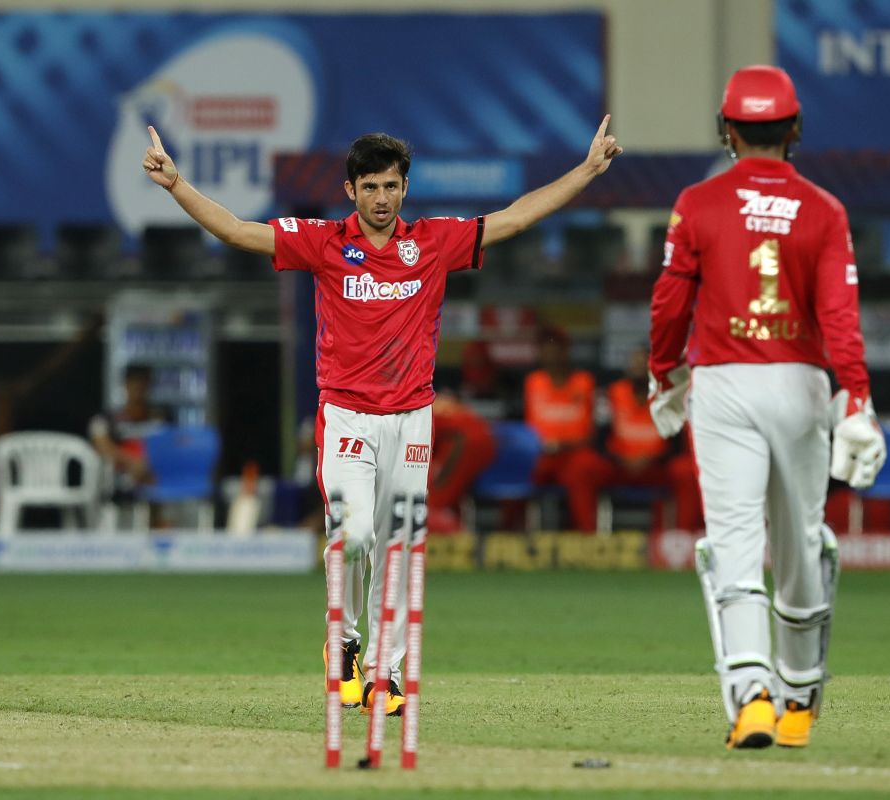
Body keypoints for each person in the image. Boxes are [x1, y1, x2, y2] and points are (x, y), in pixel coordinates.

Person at [142, 118, 622, 714]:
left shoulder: (435, 241)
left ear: (405, 189)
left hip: (412, 419)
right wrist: (177, 185)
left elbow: (516, 218)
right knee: (353, 536)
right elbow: (240, 232)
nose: (381, 198)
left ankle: (383, 676)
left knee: (398, 545)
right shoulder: (322, 242)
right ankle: (339, 643)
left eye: (391, 187)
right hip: (345, 416)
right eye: (369, 187)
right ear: (350, 190)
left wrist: (586, 170)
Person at [647, 66, 885, 750]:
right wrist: (859, 400)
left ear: (727, 130)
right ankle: (800, 702)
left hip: (723, 384)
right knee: (801, 540)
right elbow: (842, 318)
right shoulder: (826, 210)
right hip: (802, 384)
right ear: (795, 128)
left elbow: (669, 301)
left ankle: (751, 697)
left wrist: (665, 374)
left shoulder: (696, 202)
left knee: (735, 544)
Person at [523, 327, 612, 533]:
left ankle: (585, 537)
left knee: (582, 472)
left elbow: (593, 431)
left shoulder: (585, 381)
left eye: (555, 348)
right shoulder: (534, 382)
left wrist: (563, 444)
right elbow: (528, 429)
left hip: (575, 454)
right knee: (517, 468)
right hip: (541, 455)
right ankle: (507, 535)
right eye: (545, 349)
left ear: (566, 351)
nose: (550, 354)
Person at [604, 347, 702, 531]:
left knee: (682, 471)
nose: (639, 368)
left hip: (657, 466)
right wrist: (620, 458)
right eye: (635, 363)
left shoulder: (667, 395)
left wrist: (652, 459)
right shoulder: (614, 392)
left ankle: (675, 539)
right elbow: (602, 434)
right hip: (619, 465)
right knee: (588, 468)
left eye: (643, 364)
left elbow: (675, 438)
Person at [88, 364, 168, 524]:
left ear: (149, 386)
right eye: (134, 384)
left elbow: (169, 447)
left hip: (154, 472)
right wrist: (132, 462)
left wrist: (148, 463)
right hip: (120, 475)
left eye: (142, 384)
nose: (138, 389)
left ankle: (160, 529)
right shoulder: (108, 418)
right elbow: (102, 445)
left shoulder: (160, 417)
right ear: (125, 385)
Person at [428, 389, 496, 533]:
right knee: (448, 497)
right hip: (482, 435)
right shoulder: (429, 395)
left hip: (462, 439)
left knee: (435, 500)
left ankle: (453, 539)